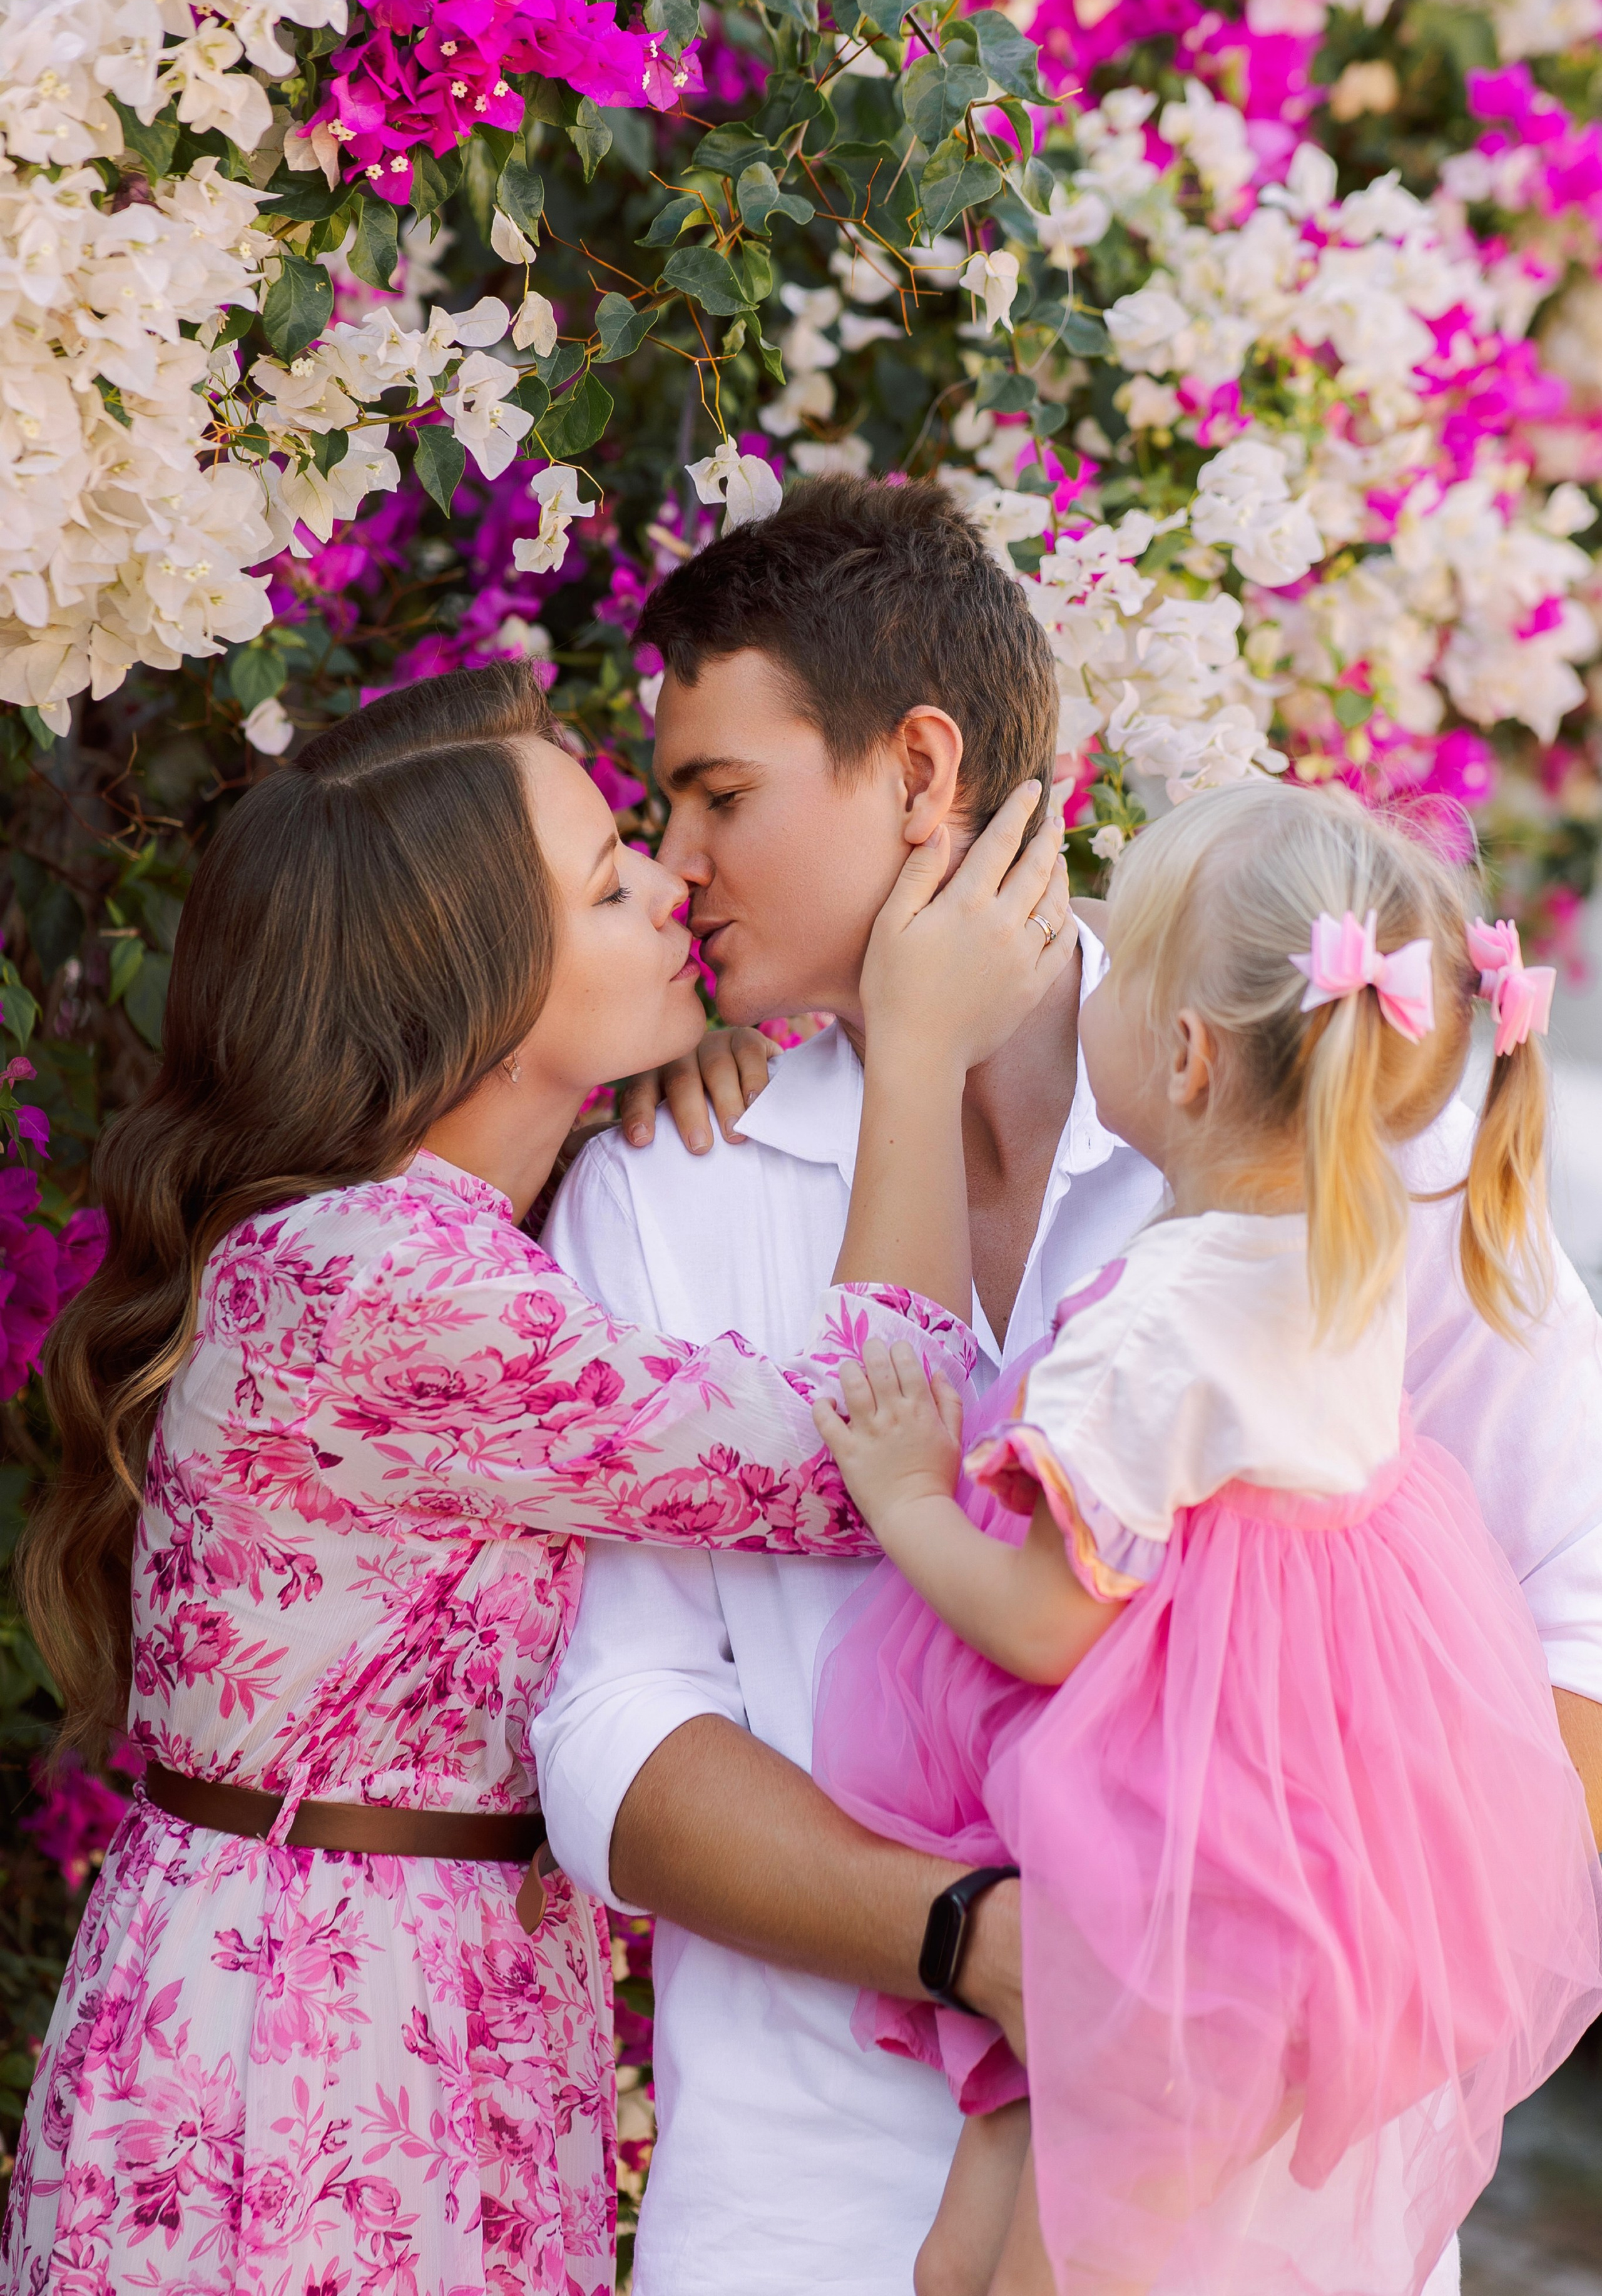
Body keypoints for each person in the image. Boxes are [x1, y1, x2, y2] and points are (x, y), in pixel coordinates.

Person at [531, 475, 1602, 2296]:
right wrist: (990, 1945)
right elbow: (609, 1733)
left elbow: (1573, 1625)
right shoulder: (664, 1187)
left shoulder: (1355, 1144)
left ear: (923, 769)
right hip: (800, 2207)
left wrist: (1290, 2020)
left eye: (723, 796)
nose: (680, 862)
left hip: (1264, 2210)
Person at [3, 661, 1069, 2296]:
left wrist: (666, 1065)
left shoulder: (405, 1244)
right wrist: (912, 1062)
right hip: (312, 2064)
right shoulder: (383, 1281)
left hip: (407, 2019)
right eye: (609, 880)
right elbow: (855, 1458)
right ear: (478, 990)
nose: (675, 883)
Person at [811, 778, 1602, 2296]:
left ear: (1179, 1054)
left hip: (1177, 1860)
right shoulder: (1340, 1255)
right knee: (963, 2264)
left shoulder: (1158, 1327)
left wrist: (907, 1494)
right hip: (1300, 1832)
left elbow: (1050, 1624)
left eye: (1117, 972)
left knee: (1056, 2272)